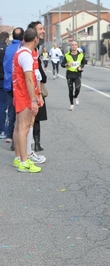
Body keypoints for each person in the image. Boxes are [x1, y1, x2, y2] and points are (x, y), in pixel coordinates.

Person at [12, 27, 42, 173]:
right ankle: (24, 161)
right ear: (35, 39)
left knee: (18, 127)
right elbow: (29, 79)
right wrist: (33, 100)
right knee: (24, 128)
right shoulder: (26, 55)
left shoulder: (19, 51)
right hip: (24, 95)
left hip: (18, 93)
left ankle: (18, 157)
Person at [28, 21, 48, 154]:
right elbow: (32, 73)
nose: (43, 31)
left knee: (33, 120)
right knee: (30, 120)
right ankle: (28, 150)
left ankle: (33, 146)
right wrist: (37, 95)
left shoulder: (36, 48)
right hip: (31, 90)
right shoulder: (29, 50)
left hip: (35, 88)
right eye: (40, 29)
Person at [3, 27, 24, 148]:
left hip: (8, 83)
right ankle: (18, 139)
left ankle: (9, 134)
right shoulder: (22, 49)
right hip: (18, 84)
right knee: (21, 112)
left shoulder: (8, 48)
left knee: (11, 109)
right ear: (22, 37)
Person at [61, 40, 86, 111]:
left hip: (77, 74)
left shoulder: (81, 55)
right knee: (70, 90)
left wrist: (81, 67)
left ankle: (76, 96)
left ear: (77, 46)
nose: (74, 46)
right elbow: (62, 64)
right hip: (69, 74)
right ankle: (72, 104)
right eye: (72, 45)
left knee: (78, 89)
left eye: (75, 45)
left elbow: (83, 63)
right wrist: (66, 64)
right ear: (71, 46)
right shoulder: (67, 55)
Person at [0, 31, 9, 140]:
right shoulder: (7, 49)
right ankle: (2, 130)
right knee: (3, 105)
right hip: (3, 80)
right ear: (6, 39)